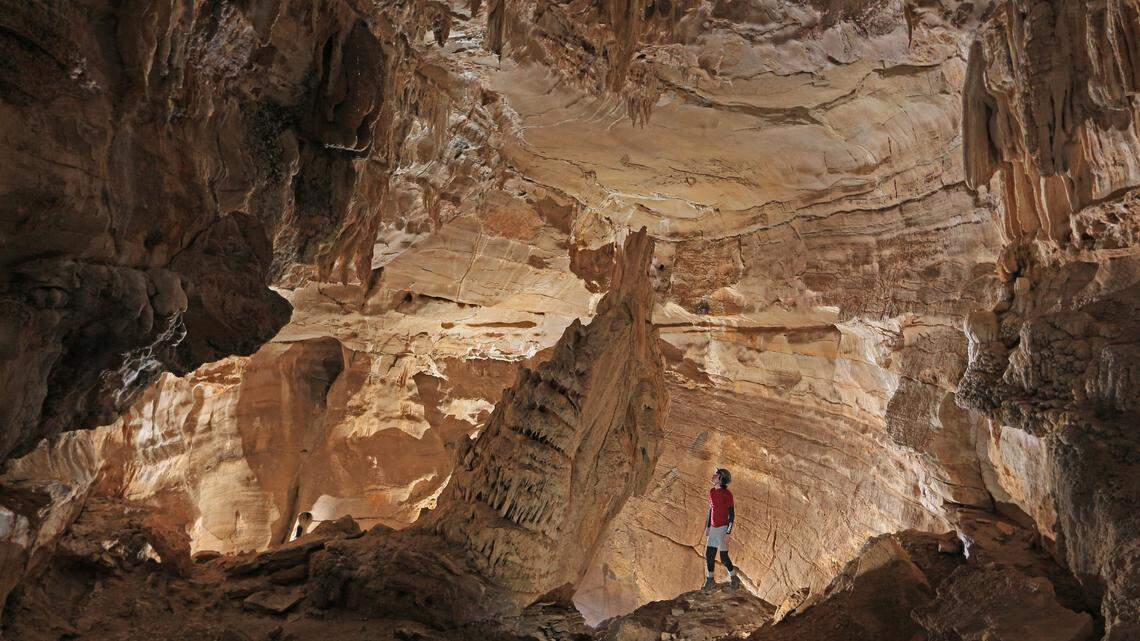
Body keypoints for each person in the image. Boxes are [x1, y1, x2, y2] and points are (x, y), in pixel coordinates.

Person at [703, 468, 740, 590]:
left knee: (723, 557)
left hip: (723, 528)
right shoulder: (712, 491)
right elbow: (711, 509)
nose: (713, 476)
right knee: (709, 554)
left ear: (721, 479)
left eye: (716, 475)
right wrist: (708, 526)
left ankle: (733, 576)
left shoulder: (727, 494)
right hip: (713, 528)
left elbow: (732, 515)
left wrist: (728, 533)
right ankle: (710, 580)